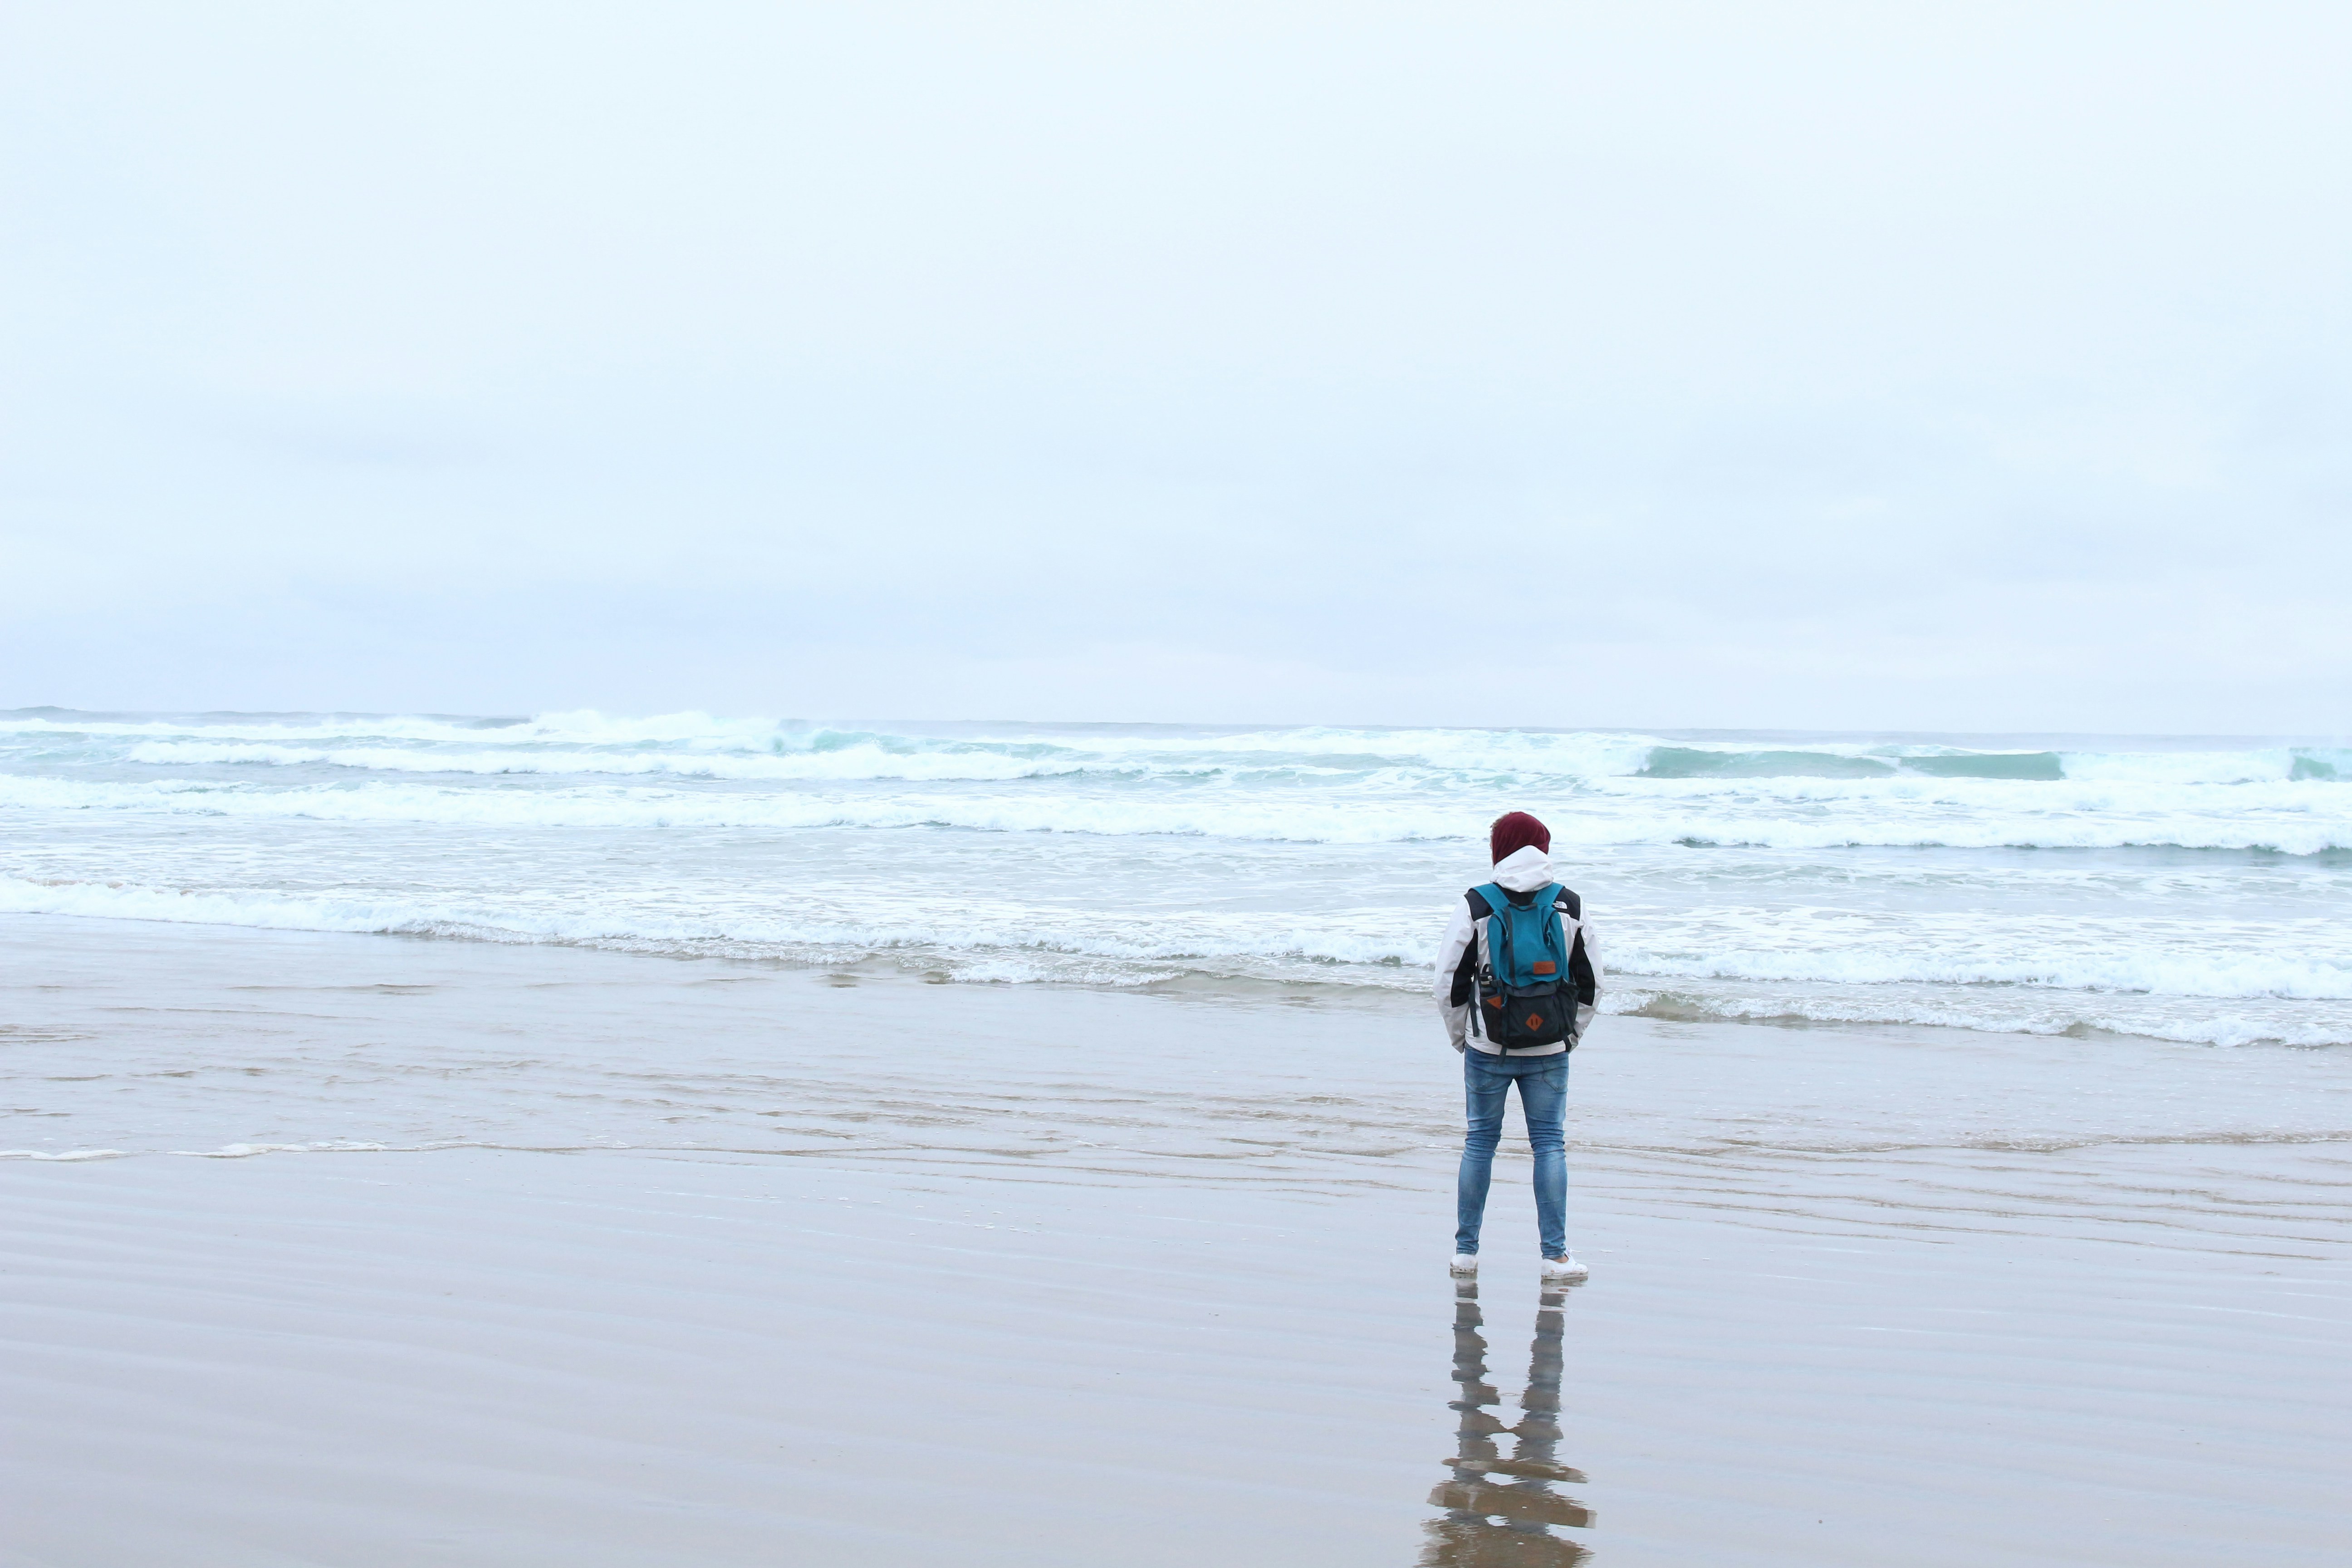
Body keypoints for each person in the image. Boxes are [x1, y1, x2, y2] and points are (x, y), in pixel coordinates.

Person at [1433, 811, 1601, 1282]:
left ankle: (1466, 1253)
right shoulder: (1569, 904)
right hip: (1549, 1049)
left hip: (1489, 1047)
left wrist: (1462, 1037)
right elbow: (1592, 986)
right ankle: (1555, 1257)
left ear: (1499, 848)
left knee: (1480, 1143)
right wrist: (1568, 1036)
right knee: (1550, 1146)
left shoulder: (1476, 904)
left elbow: (1448, 981)